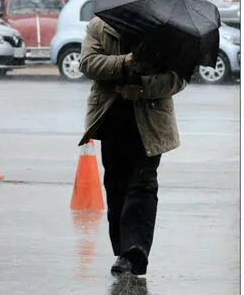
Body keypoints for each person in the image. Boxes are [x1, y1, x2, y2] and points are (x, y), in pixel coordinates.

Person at [78, 16, 187, 276]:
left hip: (150, 122)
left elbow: (177, 79)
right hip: (111, 118)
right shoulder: (98, 26)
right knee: (117, 186)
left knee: (143, 183)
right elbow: (88, 63)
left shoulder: (166, 32)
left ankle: (134, 250)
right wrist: (126, 62)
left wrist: (141, 88)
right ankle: (122, 250)